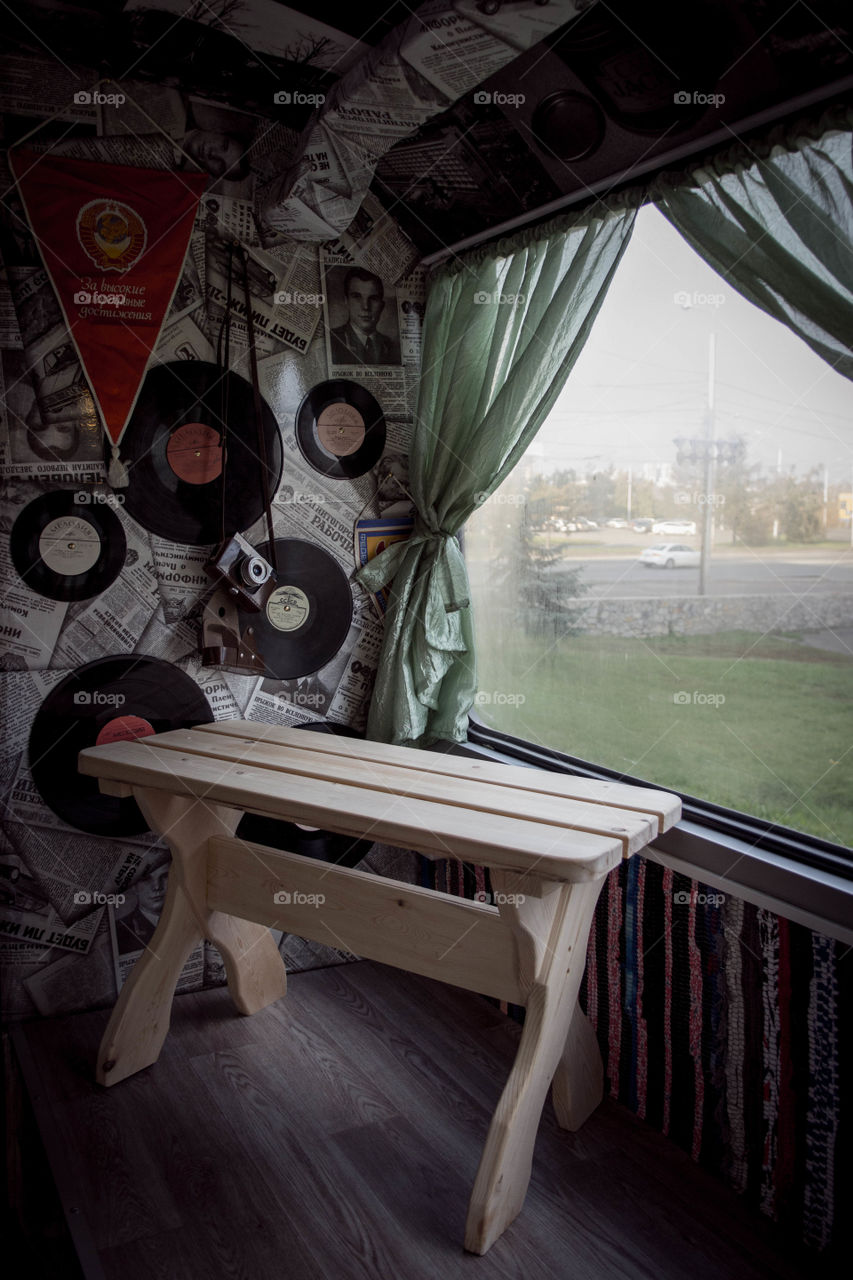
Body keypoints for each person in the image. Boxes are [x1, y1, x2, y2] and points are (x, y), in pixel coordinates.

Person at [330, 268, 399, 365]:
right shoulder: (331, 340)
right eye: (357, 297)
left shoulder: (391, 346)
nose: (366, 306)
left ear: (381, 305)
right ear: (346, 301)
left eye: (373, 298)